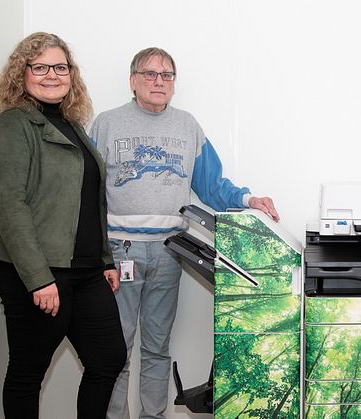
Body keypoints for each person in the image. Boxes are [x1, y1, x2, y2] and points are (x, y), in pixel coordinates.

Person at [90, 47, 280, 419]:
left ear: (174, 84)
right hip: (118, 253)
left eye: (167, 75)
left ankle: (153, 416)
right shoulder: (107, 124)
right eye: (149, 74)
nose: (158, 81)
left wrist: (248, 199)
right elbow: (88, 190)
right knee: (116, 350)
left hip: (167, 253)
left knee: (157, 348)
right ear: (132, 81)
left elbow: (211, 185)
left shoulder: (188, 126)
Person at [0, 32, 126, 419]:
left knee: (109, 359)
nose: (52, 75)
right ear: (23, 72)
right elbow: (9, 207)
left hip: (86, 271)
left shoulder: (72, 124)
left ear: (71, 74)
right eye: (41, 67)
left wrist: (105, 259)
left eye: (60, 67)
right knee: (28, 373)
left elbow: (90, 198)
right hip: (37, 273)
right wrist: (38, 279)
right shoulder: (14, 126)